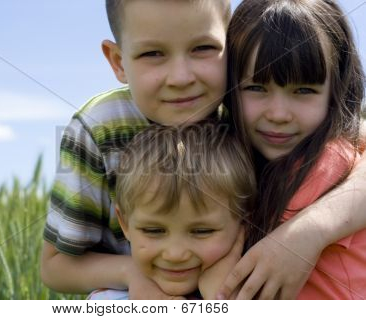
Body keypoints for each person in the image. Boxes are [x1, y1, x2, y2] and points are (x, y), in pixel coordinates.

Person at [40, 0, 232, 299]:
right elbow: (55, 267)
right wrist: (131, 273)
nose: (181, 78)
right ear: (118, 62)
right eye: (152, 53)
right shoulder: (99, 127)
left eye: (203, 48)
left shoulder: (248, 113)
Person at [219, 0, 366, 299]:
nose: (279, 114)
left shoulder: (326, 163)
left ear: (335, 92)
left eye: (303, 91)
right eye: (256, 88)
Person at [88, 120, 255, 299]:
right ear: (125, 223)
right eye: (154, 230)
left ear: (244, 224)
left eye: (202, 231)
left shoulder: (269, 289)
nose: (175, 254)